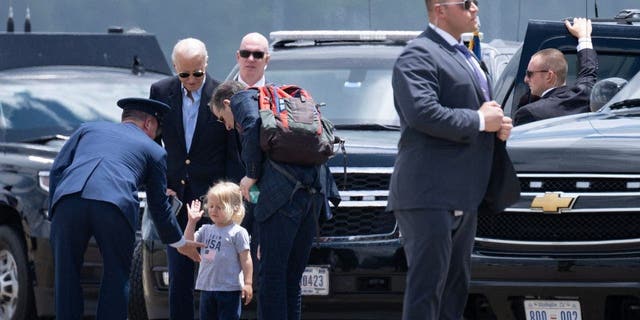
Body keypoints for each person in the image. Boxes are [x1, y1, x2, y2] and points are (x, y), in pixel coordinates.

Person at [387, 1, 514, 319]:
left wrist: (496, 124)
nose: (475, 8)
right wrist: (481, 121)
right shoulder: (418, 54)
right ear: (440, 10)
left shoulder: (466, 54)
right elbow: (423, 113)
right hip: (429, 193)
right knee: (426, 292)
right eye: (465, 3)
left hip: (463, 193)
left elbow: (476, 113)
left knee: (454, 293)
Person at [48, 97, 204, 319]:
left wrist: (54, 210)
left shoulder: (87, 129)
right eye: (156, 131)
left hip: (68, 201)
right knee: (116, 274)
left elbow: (58, 169)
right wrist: (178, 242)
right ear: (149, 124)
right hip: (114, 205)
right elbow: (158, 204)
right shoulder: (154, 151)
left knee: (66, 274)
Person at [210, 80, 325, 320]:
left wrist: (250, 174)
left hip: (280, 200)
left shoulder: (242, 99)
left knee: (272, 276)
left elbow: (251, 126)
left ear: (228, 103)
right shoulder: (277, 102)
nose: (227, 127)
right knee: (292, 280)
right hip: (309, 195)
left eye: (222, 118)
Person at [149, 37, 242, 319]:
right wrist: (158, 181)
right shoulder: (160, 91)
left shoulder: (224, 93)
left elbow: (233, 153)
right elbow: (152, 142)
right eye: (184, 73)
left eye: (197, 73)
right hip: (177, 202)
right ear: (175, 67)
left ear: (206, 64)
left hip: (215, 203)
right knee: (179, 278)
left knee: (217, 279)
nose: (191, 79)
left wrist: (232, 199)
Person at [185, 182, 253, 320]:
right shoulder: (205, 230)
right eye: (211, 206)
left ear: (235, 208)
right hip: (207, 288)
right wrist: (191, 222)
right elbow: (187, 243)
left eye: (219, 207)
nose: (213, 210)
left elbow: (246, 259)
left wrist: (248, 283)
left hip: (230, 289)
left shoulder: (238, 232)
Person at [514, 17, 597, 125]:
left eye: (530, 74)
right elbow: (588, 73)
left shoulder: (529, 113)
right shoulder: (584, 95)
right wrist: (584, 37)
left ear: (549, 76)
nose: (525, 79)